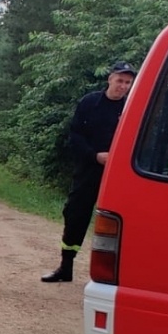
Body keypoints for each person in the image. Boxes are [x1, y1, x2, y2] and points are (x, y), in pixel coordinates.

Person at [42, 60, 137, 282]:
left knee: (121, 221)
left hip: (120, 175)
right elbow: (74, 136)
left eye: (128, 82)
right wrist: (95, 156)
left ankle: (117, 274)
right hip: (88, 169)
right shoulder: (90, 102)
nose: (123, 86)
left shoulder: (133, 106)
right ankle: (66, 267)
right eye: (120, 80)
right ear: (110, 79)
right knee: (75, 215)